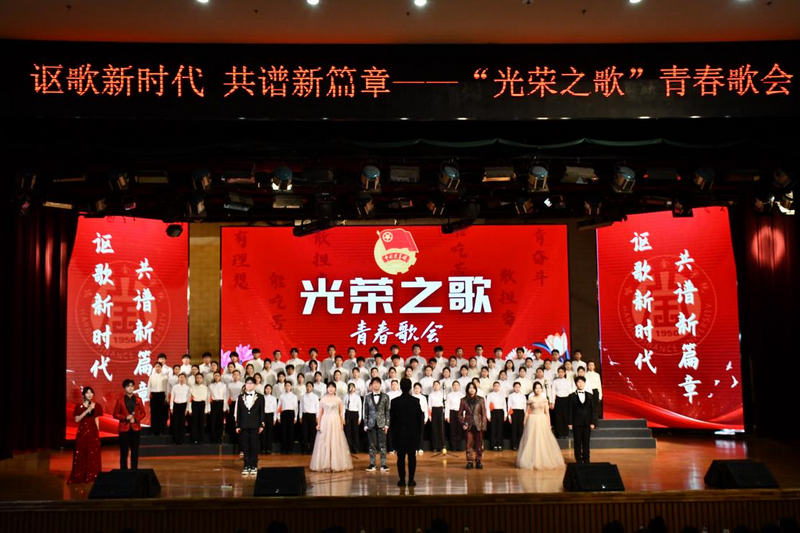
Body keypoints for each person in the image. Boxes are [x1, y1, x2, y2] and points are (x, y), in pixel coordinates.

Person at [516, 381, 566, 470]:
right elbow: (527, 412)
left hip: (542, 420)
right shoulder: (531, 399)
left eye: (539, 388)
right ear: (534, 389)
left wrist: (549, 424)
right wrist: (524, 422)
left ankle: (543, 460)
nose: (538, 389)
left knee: (542, 440)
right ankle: (531, 460)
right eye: (536, 388)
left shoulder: (544, 400)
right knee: (531, 440)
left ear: (542, 389)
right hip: (532, 420)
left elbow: (547, 412)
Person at [309, 382, 354, 472]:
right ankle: (324, 464)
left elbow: (341, 413)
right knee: (324, 441)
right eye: (329, 387)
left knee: (335, 441)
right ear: (327, 389)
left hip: (335, 421)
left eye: (333, 387)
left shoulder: (338, 399)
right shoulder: (323, 399)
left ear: (335, 389)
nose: (331, 389)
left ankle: (335, 464)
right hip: (325, 421)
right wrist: (318, 424)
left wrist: (341, 424)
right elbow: (320, 413)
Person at [390, 378, 423, 487]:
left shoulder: (394, 402)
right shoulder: (415, 401)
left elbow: (392, 420)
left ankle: (402, 480)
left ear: (400, 387)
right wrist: (419, 433)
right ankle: (411, 480)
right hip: (413, 433)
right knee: (412, 456)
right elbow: (419, 418)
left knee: (400, 457)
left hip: (399, 433)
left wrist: (393, 435)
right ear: (410, 388)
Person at [68, 386, 102, 483]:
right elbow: (77, 419)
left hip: (93, 433)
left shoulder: (97, 406)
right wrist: (86, 411)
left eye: (91, 392)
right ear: (83, 395)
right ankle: (81, 475)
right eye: (87, 393)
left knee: (93, 455)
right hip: (82, 433)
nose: (90, 395)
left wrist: (97, 433)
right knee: (82, 454)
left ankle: (93, 475)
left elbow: (96, 419)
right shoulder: (79, 406)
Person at [113, 379, 146, 470]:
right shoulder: (120, 400)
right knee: (124, 451)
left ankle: (134, 470)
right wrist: (125, 418)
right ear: (124, 388)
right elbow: (115, 414)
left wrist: (135, 419)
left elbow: (143, 413)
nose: (130, 388)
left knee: (135, 451)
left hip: (135, 429)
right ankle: (124, 471)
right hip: (124, 429)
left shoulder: (138, 400)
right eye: (128, 386)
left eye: (132, 386)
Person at [235, 376, 265, 476]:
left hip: (255, 424)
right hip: (244, 424)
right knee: (245, 446)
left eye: (251, 383)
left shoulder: (260, 397)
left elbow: (261, 411)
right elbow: (238, 412)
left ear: (254, 385)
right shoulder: (240, 397)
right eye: (247, 383)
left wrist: (261, 424)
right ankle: (246, 465)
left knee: (254, 446)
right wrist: (238, 425)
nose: (249, 385)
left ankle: (253, 465)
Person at [362, 377, 390, 472]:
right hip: (371, 424)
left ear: (380, 385)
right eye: (374, 383)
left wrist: (387, 424)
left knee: (383, 445)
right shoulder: (367, 397)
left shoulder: (385, 397)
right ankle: (372, 464)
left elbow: (387, 411)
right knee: (372, 445)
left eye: (378, 383)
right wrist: (365, 424)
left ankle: (383, 464)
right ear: (371, 385)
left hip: (382, 424)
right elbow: (365, 411)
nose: (376, 385)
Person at [458, 382, 487, 470]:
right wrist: (463, 423)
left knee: (479, 444)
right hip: (468, 424)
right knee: (469, 444)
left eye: (473, 388)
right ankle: (470, 461)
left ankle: (478, 460)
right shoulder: (463, 400)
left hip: (478, 424)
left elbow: (484, 414)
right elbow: (459, 415)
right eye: (470, 388)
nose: (471, 390)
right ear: (467, 389)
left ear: (476, 389)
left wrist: (483, 426)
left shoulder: (481, 399)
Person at [568, 376, 597, 464]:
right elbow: (569, 410)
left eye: (582, 382)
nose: (580, 384)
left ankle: (587, 459)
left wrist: (593, 422)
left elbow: (593, 410)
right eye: (578, 382)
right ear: (576, 384)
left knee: (586, 442)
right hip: (576, 423)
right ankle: (578, 460)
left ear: (584, 383)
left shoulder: (590, 395)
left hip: (587, 423)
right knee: (577, 442)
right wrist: (570, 422)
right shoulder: (572, 396)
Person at [549, 366, 574, 439]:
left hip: (566, 399)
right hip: (558, 399)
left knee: (565, 416)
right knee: (558, 417)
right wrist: (552, 402)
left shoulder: (568, 381)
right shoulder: (555, 382)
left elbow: (570, 391)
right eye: (559, 372)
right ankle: (559, 434)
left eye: (562, 372)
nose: (560, 373)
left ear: (565, 373)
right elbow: (553, 392)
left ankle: (565, 433)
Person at [147, 361, 169, 436]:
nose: (157, 368)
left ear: (161, 368)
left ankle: (161, 431)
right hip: (154, 396)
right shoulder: (151, 376)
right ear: (154, 368)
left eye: (159, 366)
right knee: (154, 413)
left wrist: (166, 397)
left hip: (162, 395)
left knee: (161, 414)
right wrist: (148, 397)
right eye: (156, 366)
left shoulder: (165, 376)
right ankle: (154, 431)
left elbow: (167, 388)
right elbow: (149, 387)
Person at [188, 373, 210, 444]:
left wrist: (207, 409)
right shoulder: (192, 387)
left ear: (202, 379)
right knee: (194, 422)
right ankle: (194, 438)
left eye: (200, 378)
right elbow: (189, 399)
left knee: (201, 422)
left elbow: (207, 399)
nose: (199, 379)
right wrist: (189, 409)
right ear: (195, 379)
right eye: (197, 378)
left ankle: (201, 439)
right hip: (194, 404)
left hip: (202, 404)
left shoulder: (205, 388)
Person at [278, 381, 299, 454]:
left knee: (291, 432)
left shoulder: (294, 396)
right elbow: (279, 406)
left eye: (289, 386)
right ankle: (284, 449)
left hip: (291, 413)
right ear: (284, 387)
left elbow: (296, 407)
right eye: (286, 386)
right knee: (283, 432)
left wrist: (295, 417)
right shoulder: (281, 396)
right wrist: (278, 416)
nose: (287, 387)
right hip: (284, 413)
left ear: (291, 387)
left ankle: (290, 449)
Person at [486, 381, 507, 451]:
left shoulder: (502, 395)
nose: (496, 387)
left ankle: (500, 444)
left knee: (500, 429)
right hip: (493, 412)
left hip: (500, 412)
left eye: (497, 386)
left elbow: (504, 405)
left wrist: (505, 415)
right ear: (493, 387)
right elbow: (487, 406)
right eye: (495, 386)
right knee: (493, 429)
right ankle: (494, 445)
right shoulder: (489, 395)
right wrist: (488, 415)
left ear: (499, 387)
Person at [169, 373, 190, 444]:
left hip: (183, 405)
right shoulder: (174, 387)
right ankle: (175, 440)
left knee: (182, 423)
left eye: (183, 377)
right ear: (178, 378)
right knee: (175, 423)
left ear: (185, 379)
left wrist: (187, 409)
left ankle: (181, 440)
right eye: (180, 377)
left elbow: (188, 399)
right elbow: (172, 397)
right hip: (176, 405)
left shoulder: (187, 387)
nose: (182, 379)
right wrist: (171, 407)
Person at [300, 381, 320, 455]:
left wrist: (317, 417)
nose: (308, 387)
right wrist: (300, 416)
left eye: (310, 386)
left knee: (312, 433)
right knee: (304, 433)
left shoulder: (315, 397)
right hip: (305, 415)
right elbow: (301, 407)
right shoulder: (303, 396)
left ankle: (312, 449)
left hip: (313, 415)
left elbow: (317, 407)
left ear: (312, 388)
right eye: (307, 386)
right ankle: (304, 449)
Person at [208, 371, 228, 444]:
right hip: (213, 403)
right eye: (215, 376)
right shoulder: (210, 386)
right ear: (213, 377)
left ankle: (219, 438)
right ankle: (213, 438)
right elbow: (208, 397)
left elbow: (225, 396)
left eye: (218, 376)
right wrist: (208, 408)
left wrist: (225, 407)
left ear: (220, 377)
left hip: (221, 403)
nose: (216, 377)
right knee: (213, 421)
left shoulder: (224, 385)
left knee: (220, 421)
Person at [446, 380, 464, 451]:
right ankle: (453, 446)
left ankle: (459, 446)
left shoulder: (462, 395)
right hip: (452, 412)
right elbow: (447, 405)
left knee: (459, 430)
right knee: (452, 429)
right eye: (454, 385)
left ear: (459, 386)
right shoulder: (449, 395)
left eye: (457, 385)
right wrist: (447, 416)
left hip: (460, 412)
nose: (455, 386)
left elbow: (463, 406)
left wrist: (464, 415)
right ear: (452, 387)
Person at [344, 383, 362, 454]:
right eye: (350, 387)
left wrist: (360, 418)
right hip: (348, 413)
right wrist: (343, 417)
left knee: (355, 431)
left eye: (352, 387)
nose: (351, 389)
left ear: (355, 389)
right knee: (348, 431)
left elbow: (360, 408)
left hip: (355, 414)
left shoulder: (357, 397)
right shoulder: (346, 396)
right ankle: (348, 448)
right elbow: (343, 407)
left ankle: (356, 448)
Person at [428, 380, 446, 452]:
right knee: (434, 428)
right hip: (434, 410)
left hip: (440, 410)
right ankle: (435, 446)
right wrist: (430, 416)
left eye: (437, 385)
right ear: (433, 386)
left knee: (441, 429)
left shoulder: (443, 394)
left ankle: (442, 446)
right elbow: (429, 405)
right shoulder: (431, 395)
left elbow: (445, 404)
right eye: (434, 385)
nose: (436, 386)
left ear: (439, 386)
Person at [507, 382, 526, 450]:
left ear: (520, 388)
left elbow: (525, 406)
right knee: (514, 429)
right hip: (513, 412)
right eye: (516, 387)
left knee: (521, 429)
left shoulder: (523, 396)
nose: (517, 388)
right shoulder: (511, 396)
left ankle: (520, 445)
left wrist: (525, 415)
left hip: (521, 412)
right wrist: (509, 416)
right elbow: (509, 406)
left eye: (518, 387)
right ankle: (514, 445)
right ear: (514, 388)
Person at [262, 384, 277, 454]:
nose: (268, 390)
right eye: (267, 389)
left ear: (271, 390)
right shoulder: (262, 398)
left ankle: (269, 449)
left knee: (269, 433)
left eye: (269, 389)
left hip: (270, 415)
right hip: (263, 415)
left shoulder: (273, 398)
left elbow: (275, 409)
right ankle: (263, 448)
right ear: (265, 390)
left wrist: (275, 418)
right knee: (263, 433)